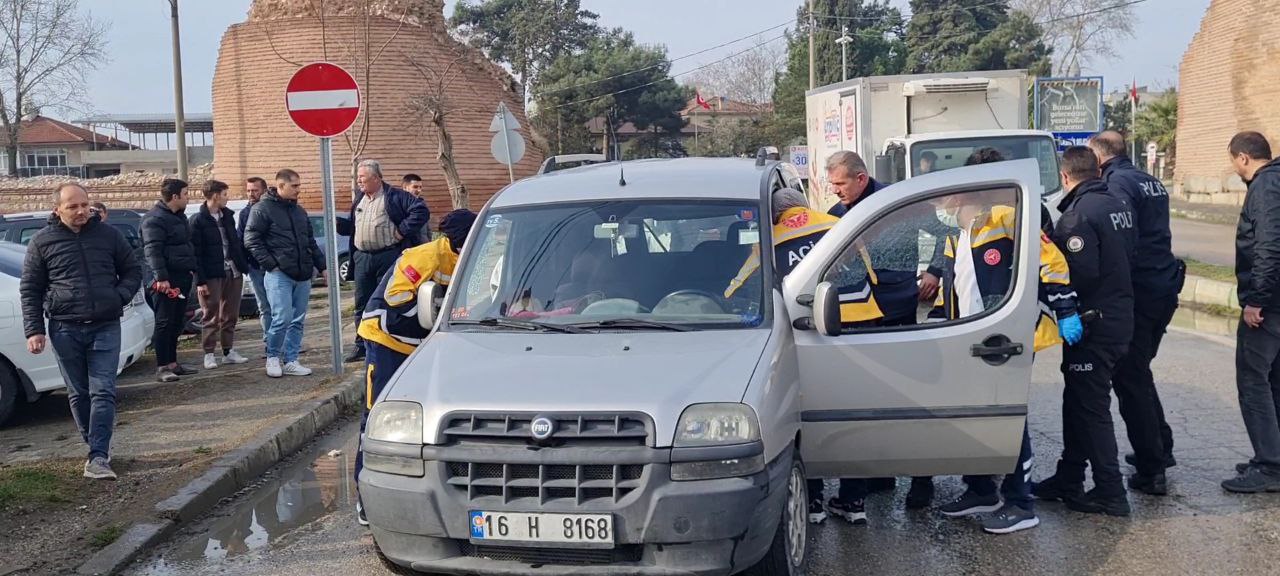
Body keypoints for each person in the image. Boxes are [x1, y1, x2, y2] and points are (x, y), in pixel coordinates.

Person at [930, 148, 1082, 534]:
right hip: (968, 338)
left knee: (1011, 419)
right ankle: (981, 489)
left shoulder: (1008, 217)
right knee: (975, 417)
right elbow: (956, 285)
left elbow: (1053, 262)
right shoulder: (964, 228)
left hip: (1001, 339)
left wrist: (1065, 311)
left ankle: (1021, 501)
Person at [826, 150, 950, 509]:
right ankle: (880, 474)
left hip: (899, 316)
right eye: (832, 184)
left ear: (860, 178)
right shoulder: (836, 215)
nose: (835, 190)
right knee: (868, 401)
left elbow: (946, 236)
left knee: (909, 402)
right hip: (859, 321)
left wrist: (934, 271)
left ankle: (922, 480)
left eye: (840, 183)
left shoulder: (900, 205)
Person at [353, 209, 478, 525]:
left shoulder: (466, 257)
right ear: (458, 240)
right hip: (386, 341)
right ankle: (365, 500)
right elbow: (397, 299)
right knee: (376, 416)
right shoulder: (424, 256)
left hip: (424, 344)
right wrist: (437, 313)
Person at [1033, 146, 1136, 516]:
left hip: (1094, 323)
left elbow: (1079, 274)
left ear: (1065, 177)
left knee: (1091, 408)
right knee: (1076, 401)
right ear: (1096, 170)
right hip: (1120, 316)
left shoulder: (1076, 217)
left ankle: (1111, 491)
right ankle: (1070, 476)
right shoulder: (1119, 204)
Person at [21, 183, 141, 480]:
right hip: (64, 327)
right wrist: (34, 330)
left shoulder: (108, 235)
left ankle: (98, 456)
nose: (81, 211)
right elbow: (31, 289)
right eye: (73, 206)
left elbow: (133, 271)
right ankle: (94, 445)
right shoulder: (42, 242)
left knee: (103, 389)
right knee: (79, 393)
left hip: (105, 324)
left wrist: (117, 297)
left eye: (84, 205)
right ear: (57, 209)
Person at [1090, 130, 1183, 495]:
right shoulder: (1149, 179)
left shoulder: (1117, 185)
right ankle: (1162, 447)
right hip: (1163, 285)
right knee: (1139, 369)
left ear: (1099, 159)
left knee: (1130, 377)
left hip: (1141, 291)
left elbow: (1121, 240)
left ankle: (1151, 468)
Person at [1224, 130, 1280, 493]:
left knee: (1253, 381)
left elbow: (1270, 247)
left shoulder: (1265, 188)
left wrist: (1256, 299)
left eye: (1233, 161)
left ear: (1244, 157)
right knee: (1274, 381)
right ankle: (1272, 455)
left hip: (1269, 306)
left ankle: (1270, 465)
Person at [338, 159, 430, 363]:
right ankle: (361, 345)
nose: (359, 181)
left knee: (386, 301)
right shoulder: (360, 198)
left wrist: (402, 231)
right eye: (358, 177)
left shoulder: (396, 196)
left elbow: (421, 211)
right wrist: (336, 224)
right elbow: (353, 226)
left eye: (363, 177)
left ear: (377, 178)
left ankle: (387, 343)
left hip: (388, 255)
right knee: (362, 303)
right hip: (363, 257)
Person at [244, 169, 327, 378]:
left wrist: (322, 266)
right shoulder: (263, 209)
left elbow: (310, 241)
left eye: (299, 185)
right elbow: (251, 239)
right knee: (282, 317)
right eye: (295, 186)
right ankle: (272, 357)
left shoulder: (299, 211)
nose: (299, 190)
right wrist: (271, 265)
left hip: (303, 273)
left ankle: (291, 360)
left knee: (298, 319)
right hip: (279, 273)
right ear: (281, 186)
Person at [143, 178, 199, 383]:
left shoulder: (179, 217)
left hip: (182, 277)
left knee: (177, 321)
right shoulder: (154, 219)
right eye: (185, 194)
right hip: (165, 281)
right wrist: (161, 278)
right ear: (175, 196)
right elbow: (152, 251)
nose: (188, 198)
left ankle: (173, 363)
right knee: (165, 322)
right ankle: (162, 366)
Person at [190, 179, 251, 369]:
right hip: (211, 274)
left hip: (233, 270)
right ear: (215, 196)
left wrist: (242, 265)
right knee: (210, 314)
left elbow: (234, 242)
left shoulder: (227, 216)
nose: (228, 198)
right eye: (225, 194)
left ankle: (228, 351)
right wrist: (200, 281)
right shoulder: (197, 220)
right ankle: (209, 353)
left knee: (231, 313)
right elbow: (196, 253)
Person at [239, 177, 273, 342]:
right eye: (249, 190)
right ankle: (269, 342)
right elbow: (241, 239)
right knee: (264, 307)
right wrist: (245, 264)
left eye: (255, 190)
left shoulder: (273, 209)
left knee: (281, 306)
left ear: (264, 191)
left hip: (275, 266)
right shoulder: (245, 213)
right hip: (255, 267)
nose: (251, 194)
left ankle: (285, 342)